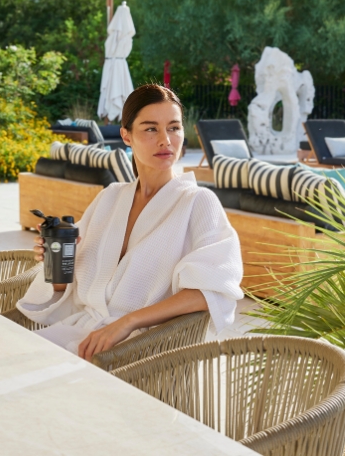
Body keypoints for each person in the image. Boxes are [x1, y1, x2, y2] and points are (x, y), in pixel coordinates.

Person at [16, 84, 244, 362]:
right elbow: (74, 290)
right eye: (150, 129)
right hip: (84, 334)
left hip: (140, 350)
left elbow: (213, 290)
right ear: (126, 135)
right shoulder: (110, 198)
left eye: (174, 128)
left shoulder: (198, 202)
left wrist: (127, 322)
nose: (166, 140)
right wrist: (59, 264)